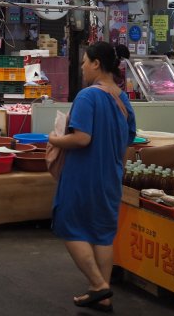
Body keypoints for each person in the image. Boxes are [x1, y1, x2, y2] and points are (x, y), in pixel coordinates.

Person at [47, 41, 136, 312]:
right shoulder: (122, 98)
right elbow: (127, 141)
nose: (83, 66)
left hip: (83, 175)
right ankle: (103, 296)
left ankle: (98, 285)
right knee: (102, 234)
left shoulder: (88, 96)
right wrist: (117, 171)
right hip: (110, 175)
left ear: (97, 63)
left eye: (85, 61)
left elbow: (82, 138)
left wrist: (55, 139)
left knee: (69, 225)